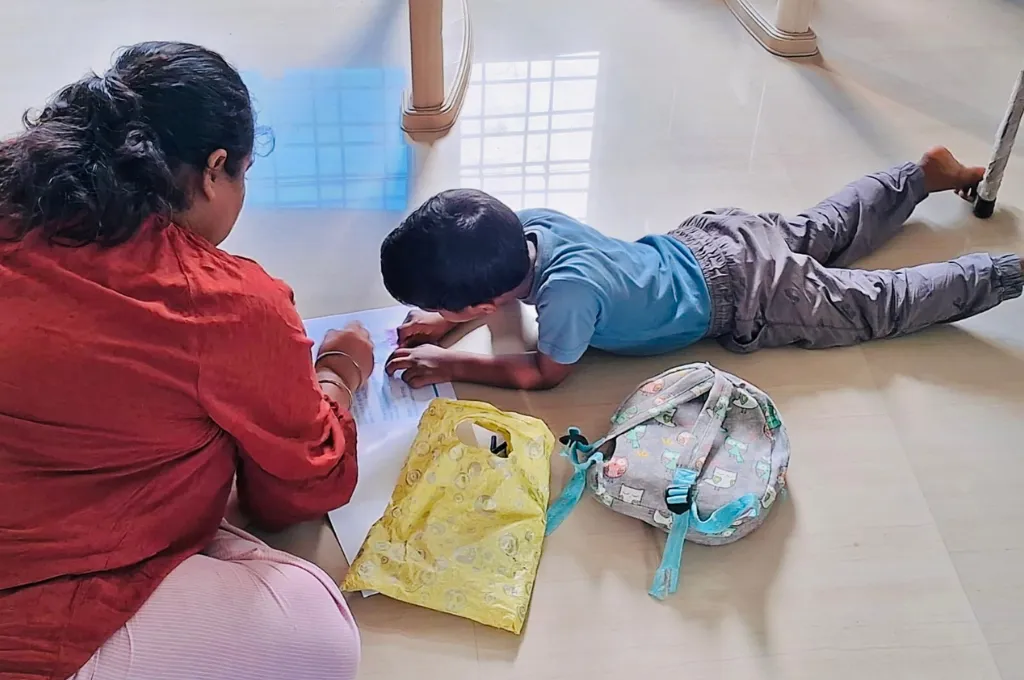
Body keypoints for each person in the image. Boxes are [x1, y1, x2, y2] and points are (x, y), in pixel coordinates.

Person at [1, 42, 369, 680]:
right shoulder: (221, 304)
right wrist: (338, 373)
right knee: (319, 632)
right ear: (214, 168)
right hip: (41, 616)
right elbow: (301, 488)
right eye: (243, 174)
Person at [380, 148, 1023, 390]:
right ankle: (915, 176)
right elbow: (507, 294)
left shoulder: (566, 301)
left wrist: (451, 361)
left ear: (481, 304)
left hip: (745, 295)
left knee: (874, 303)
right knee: (822, 228)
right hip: (712, 237)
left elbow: (546, 373)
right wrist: (448, 321)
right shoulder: (533, 227)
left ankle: (1002, 273)